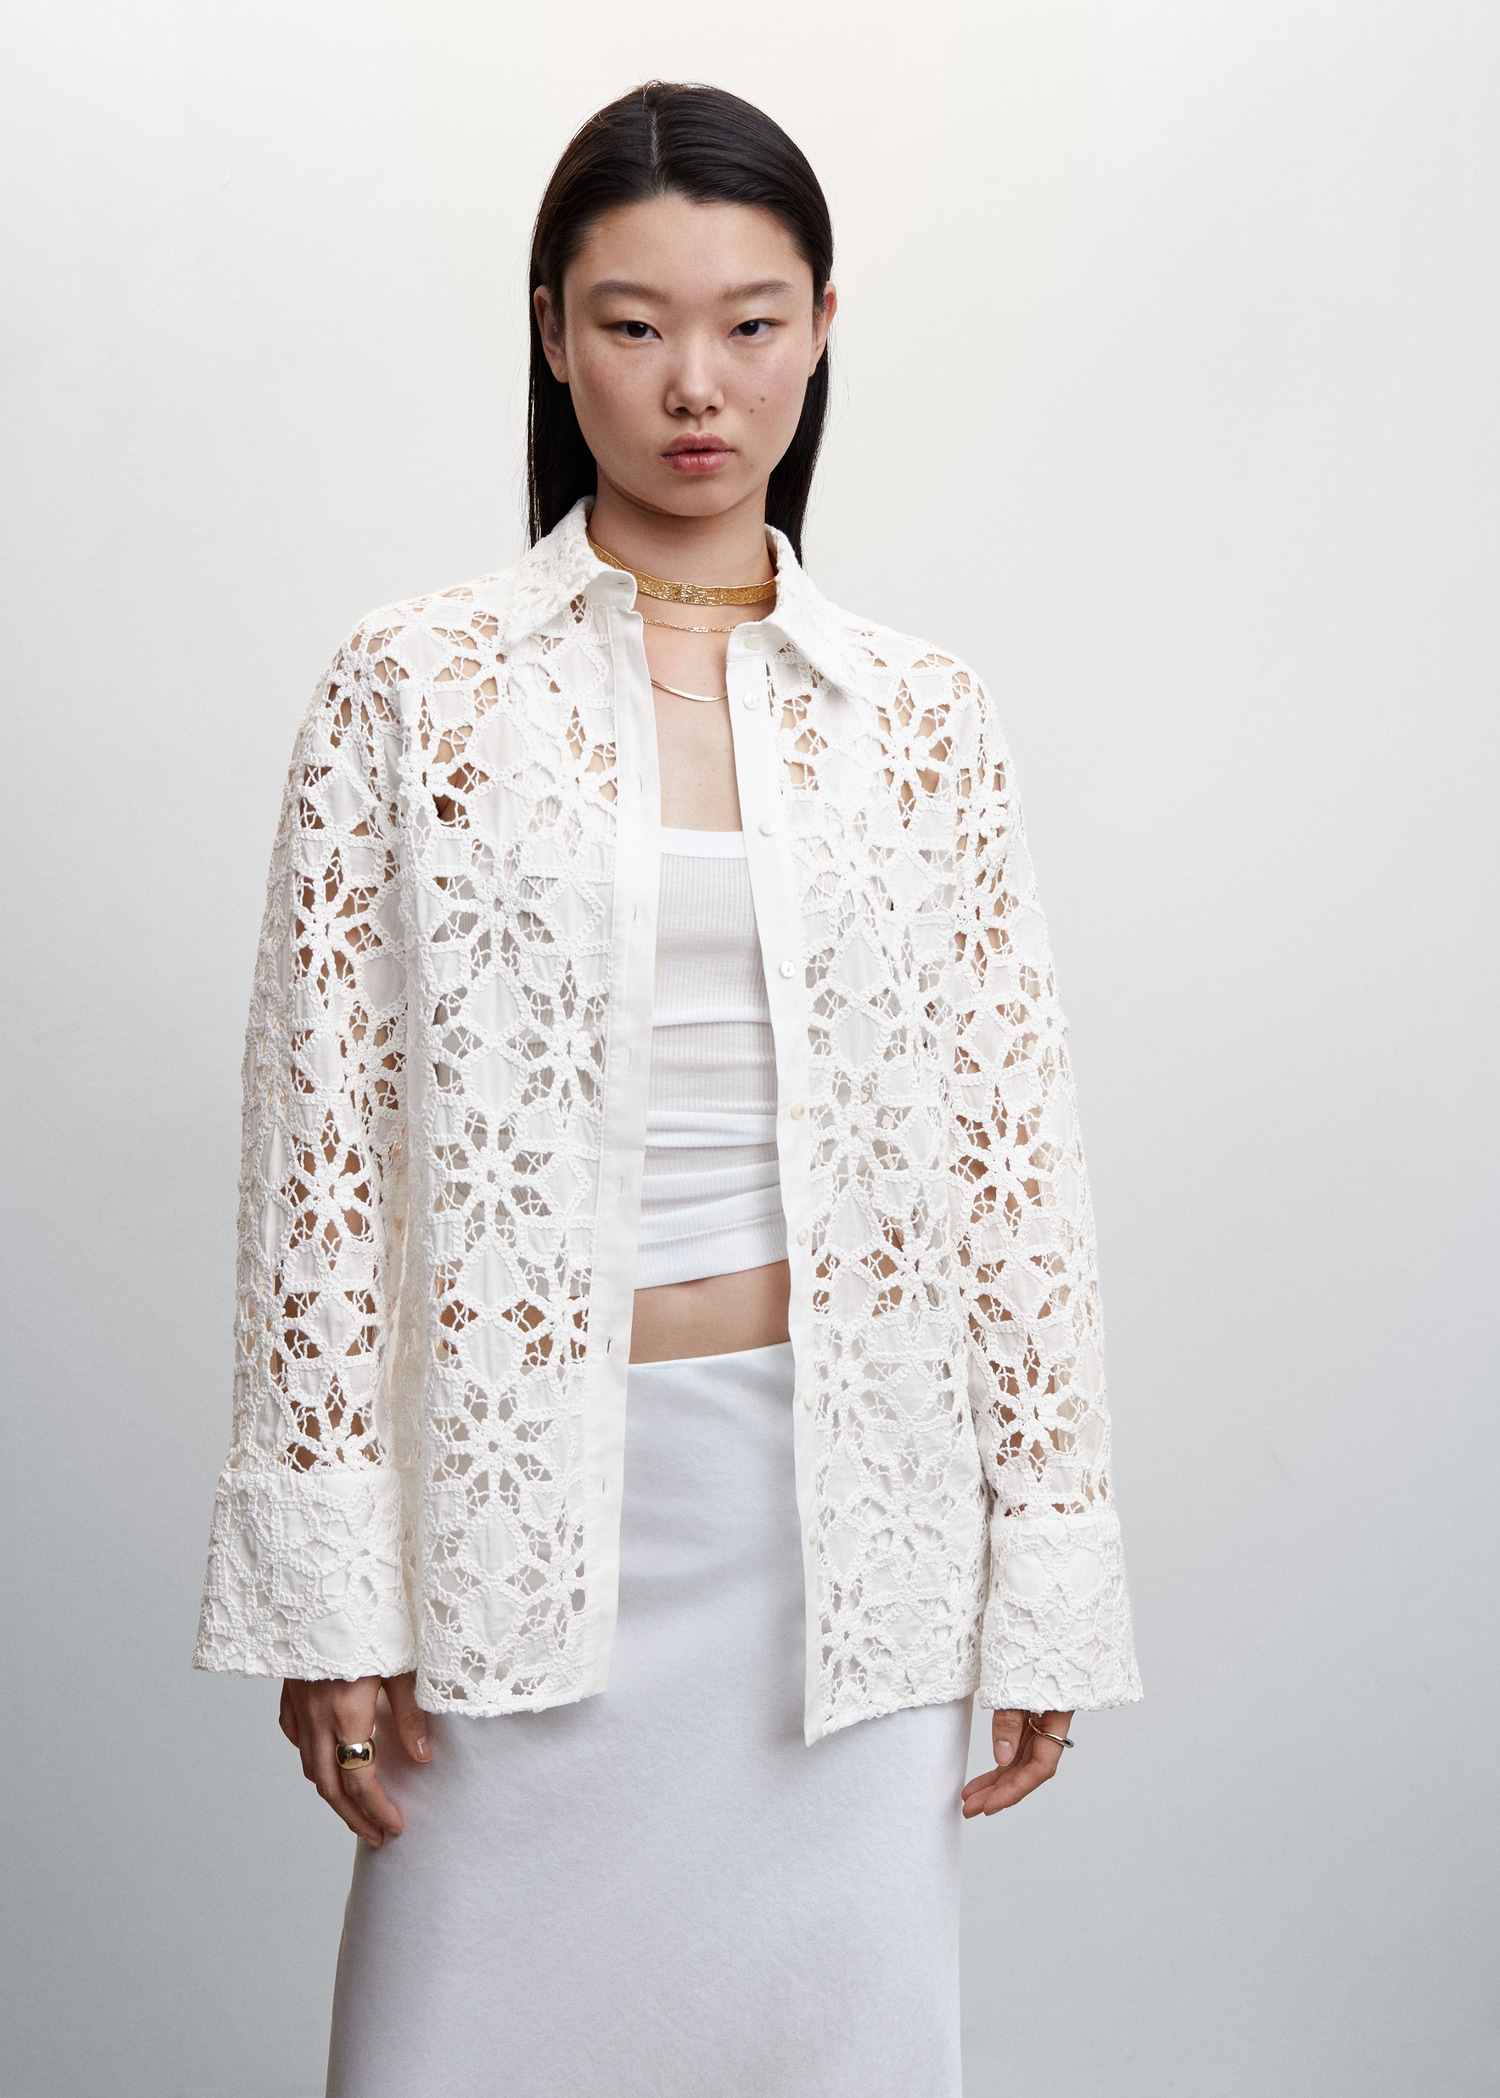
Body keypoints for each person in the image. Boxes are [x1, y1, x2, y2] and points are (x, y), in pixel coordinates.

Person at [194, 79, 1141, 2098]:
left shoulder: (925, 718)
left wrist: (1048, 1563)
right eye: (633, 324)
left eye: (750, 320)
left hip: (846, 1536)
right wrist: (331, 1580)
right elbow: (320, 1151)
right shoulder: (413, 686)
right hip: (513, 1510)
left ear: (822, 326)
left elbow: (1015, 1161)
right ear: (553, 333)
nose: (695, 382)